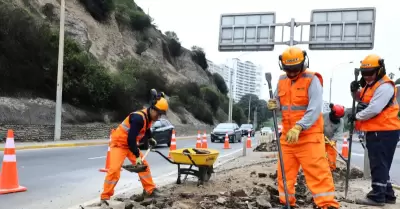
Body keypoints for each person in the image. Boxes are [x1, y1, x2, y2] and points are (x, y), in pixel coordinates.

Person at [267, 46, 339, 209]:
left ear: (303, 63)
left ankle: (327, 205)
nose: (292, 73)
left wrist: (299, 127)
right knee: (284, 174)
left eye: (295, 69)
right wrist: (274, 104)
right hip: (288, 137)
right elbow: (280, 106)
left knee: (318, 173)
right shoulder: (281, 81)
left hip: (309, 138)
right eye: (288, 69)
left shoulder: (312, 79)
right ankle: (287, 203)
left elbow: (314, 109)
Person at [100, 89, 169, 206]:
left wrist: (150, 138)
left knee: (144, 167)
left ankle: (150, 190)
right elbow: (130, 139)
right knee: (114, 170)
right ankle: (105, 197)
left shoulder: (149, 118)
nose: (159, 116)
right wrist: (137, 156)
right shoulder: (138, 118)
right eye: (158, 113)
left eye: (161, 114)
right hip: (119, 144)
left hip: (129, 145)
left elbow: (146, 129)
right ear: (152, 109)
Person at [348, 54, 400, 206]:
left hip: (384, 131)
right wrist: (354, 92)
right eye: (364, 73)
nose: (367, 76)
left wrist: (357, 116)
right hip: (379, 130)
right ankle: (388, 194)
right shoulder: (370, 86)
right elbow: (362, 100)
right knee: (382, 164)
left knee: (378, 164)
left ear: (380, 70)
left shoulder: (385, 86)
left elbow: (374, 109)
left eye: (370, 73)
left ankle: (377, 196)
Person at [323, 103, 345, 171]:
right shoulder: (323, 116)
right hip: (320, 139)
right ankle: (320, 169)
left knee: (331, 155)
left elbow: (338, 132)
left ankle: (331, 169)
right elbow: (317, 126)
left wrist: (333, 140)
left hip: (331, 140)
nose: (338, 119)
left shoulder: (341, 121)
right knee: (320, 155)